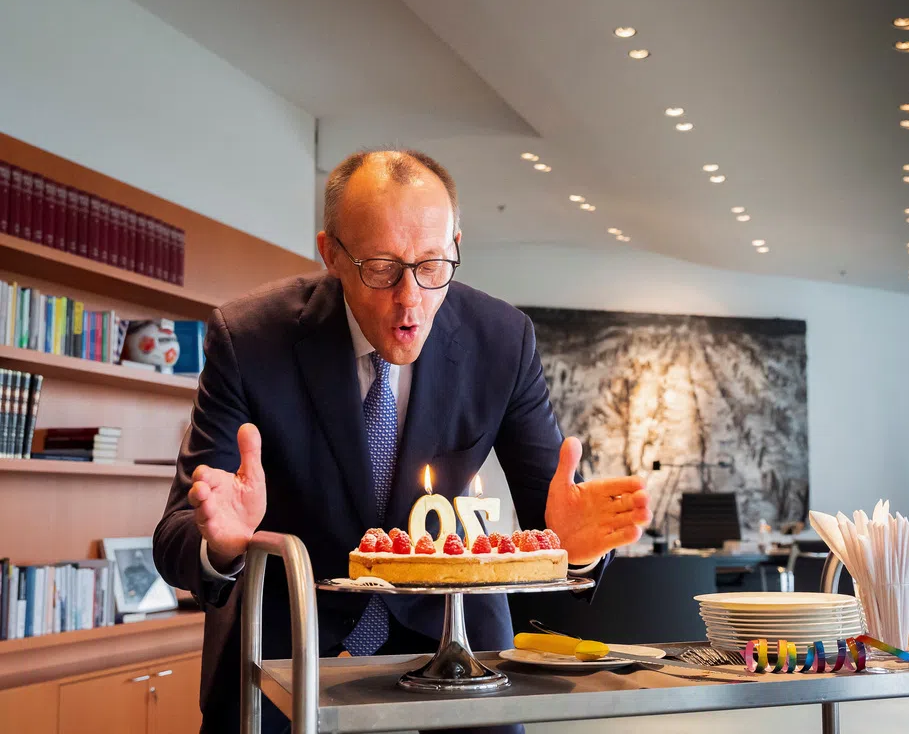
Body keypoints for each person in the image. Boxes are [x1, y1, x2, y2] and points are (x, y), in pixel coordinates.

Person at [153, 149, 652, 734]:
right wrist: (226, 546)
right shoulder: (250, 338)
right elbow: (175, 539)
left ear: (456, 245)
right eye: (383, 268)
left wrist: (575, 548)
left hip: (461, 657)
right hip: (286, 659)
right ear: (331, 254)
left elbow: (556, 508)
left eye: (433, 265)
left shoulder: (503, 340)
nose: (410, 298)